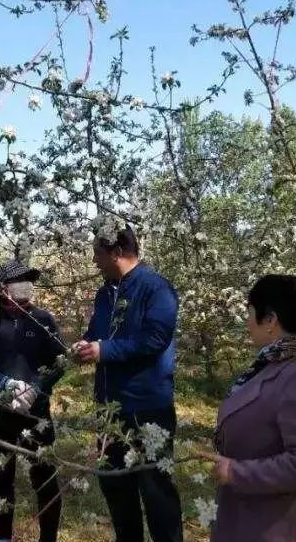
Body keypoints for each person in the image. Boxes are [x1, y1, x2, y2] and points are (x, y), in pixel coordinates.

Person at [199, 275, 296, 542]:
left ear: (270, 320)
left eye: (250, 313)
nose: (247, 323)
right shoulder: (275, 363)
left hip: (282, 524)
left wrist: (236, 472)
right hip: (256, 516)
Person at [72, 223, 182, 542]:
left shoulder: (156, 288)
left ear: (117, 253)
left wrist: (105, 350)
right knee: (116, 487)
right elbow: (97, 331)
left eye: (97, 253)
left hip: (147, 407)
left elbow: (155, 339)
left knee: (156, 491)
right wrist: (86, 344)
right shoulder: (105, 293)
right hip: (109, 408)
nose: (94, 261)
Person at [0, 259, 66, 542]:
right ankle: (3, 537)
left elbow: (60, 362)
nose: (22, 301)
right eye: (16, 291)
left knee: (45, 477)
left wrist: (36, 388)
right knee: (1, 478)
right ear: (1, 292)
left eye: (27, 289)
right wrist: (4, 384)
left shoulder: (43, 320)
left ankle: (48, 537)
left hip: (36, 414)